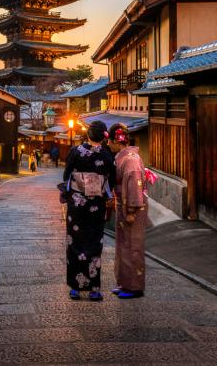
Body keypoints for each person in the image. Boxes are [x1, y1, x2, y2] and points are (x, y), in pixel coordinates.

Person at [60, 120, 116, 301]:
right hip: (96, 205)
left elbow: (67, 175)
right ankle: (94, 289)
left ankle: (75, 288)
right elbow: (111, 180)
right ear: (104, 137)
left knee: (75, 242)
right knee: (94, 243)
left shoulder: (75, 152)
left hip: (77, 204)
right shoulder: (107, 155)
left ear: (88, 134)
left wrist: (70, 192)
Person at [108, 123, 146, 299]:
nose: (108, 144)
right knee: (123, 245)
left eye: (110, 141)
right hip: (123, 204)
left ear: (117, 140)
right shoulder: (123, 157)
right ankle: (124, 282)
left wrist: (131, 210)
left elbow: (134, 186)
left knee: (133, 246)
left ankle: (134, 287)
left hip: (131, 207)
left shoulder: (131, 160)